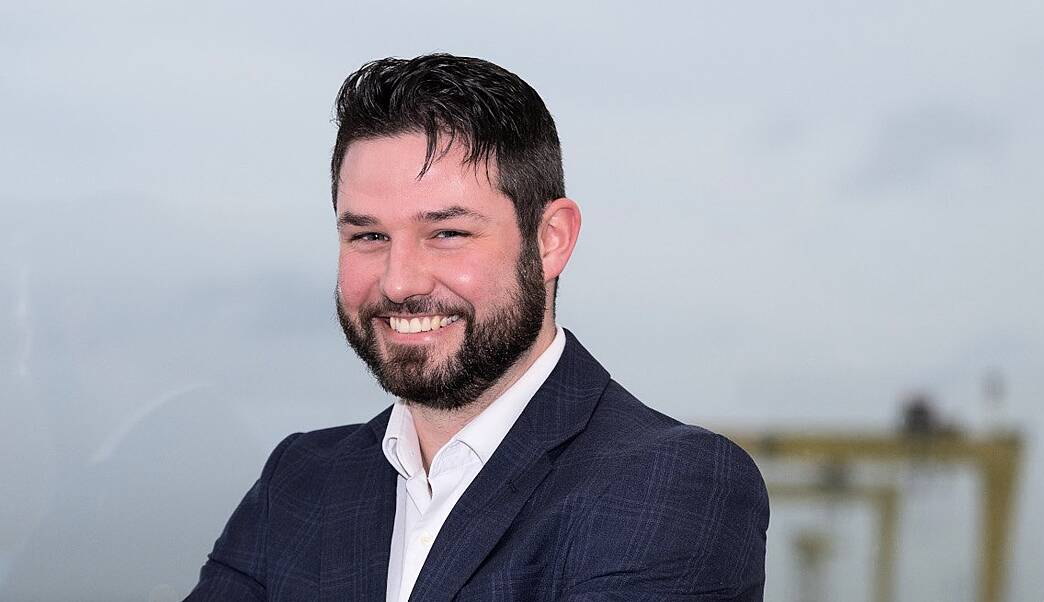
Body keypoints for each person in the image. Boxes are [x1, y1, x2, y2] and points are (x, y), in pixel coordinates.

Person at [188, 53, 768, 601]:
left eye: (447, 233)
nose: (398, 283)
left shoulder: (672, 481)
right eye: (368, 236)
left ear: (550, 240)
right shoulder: (300, 482)